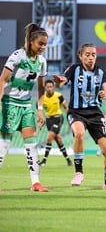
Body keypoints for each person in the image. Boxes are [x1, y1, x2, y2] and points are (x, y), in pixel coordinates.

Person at [53, 43, 106, 190]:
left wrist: (105, 94)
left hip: (95, 113)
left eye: (94, 55)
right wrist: (59, 82)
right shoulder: (74, 69)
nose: (91, 58)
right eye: (87, 55)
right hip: (76, 112)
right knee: (79, 133)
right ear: (80, 56)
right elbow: (63, 81)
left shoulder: (102, 72)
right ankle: (78, 172)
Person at [0, 22, 49, 192]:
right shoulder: (17, 56)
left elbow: (41, 88)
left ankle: (36, 182)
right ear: (30, 42)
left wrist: (40, 110)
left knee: (32, 143)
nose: (43, 47)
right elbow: (2, 79)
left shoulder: (42, 62)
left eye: (45, 44)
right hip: (10, 104)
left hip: (26, 105)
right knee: (4, 142)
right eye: (40, 44)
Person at [38, 79, 72, 167]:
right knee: (58, 140)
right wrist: (40, 120)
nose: (49, 88)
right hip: (49, 120)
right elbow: (39, 110)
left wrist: (70, 121)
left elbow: (66, 108)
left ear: (53, 87)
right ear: (45, 88)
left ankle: (44, 160)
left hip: (58, 118)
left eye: (51, 87)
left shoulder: (59, 96)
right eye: (47, 87)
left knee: (49, 138)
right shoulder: (42, 98)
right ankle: (68, 160)